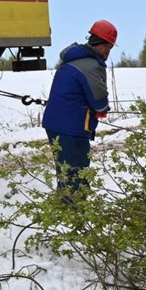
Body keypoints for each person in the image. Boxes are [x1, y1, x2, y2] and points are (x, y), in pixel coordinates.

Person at [42, 20, 117, 199]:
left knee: (64, 168)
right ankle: (74, 210)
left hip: (55, 123)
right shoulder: (91, 66)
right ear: (98, 43)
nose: (108, 50)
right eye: (108, 46)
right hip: (72, 126)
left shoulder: (73, 59)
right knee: (76, 170)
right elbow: (98, 101)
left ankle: (68, 204)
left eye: (111, 47)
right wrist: (103, 108)